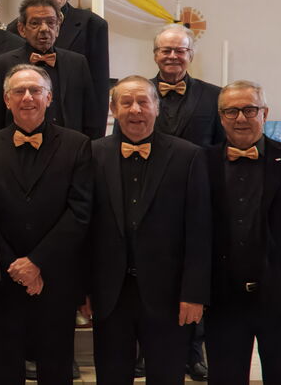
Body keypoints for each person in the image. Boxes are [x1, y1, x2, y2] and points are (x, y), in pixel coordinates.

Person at [0, 65, 94, 385]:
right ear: (6, 99)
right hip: (5, 277)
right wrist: (15, 265)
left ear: (49, 97)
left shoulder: (77, 145)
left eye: (35, 90)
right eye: (19, 91)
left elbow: (80, 211)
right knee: (3, 369)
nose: (27, 97)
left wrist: (37, 262)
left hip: (56, 278)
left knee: (56, 369)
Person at [87, 76, 211, 383]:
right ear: (113, 109)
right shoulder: (91, 154)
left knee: (167, 376)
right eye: (126, 102)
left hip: (169, 295)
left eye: (143, 101)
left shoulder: (188, 156)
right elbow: (84, 229)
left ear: (157, 107)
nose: (135, 109)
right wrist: (84, 290)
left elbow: (199, 230)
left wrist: (194, 294)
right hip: (110, 294)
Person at [204, 81, 281, 384]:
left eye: (249, 109)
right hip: (223, 300)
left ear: (265, 113)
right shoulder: (202, 162)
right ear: (221, 117)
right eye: (231, 111)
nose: (240, 118)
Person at [0, 0, 103, 139]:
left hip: (69, 148)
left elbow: (90, 119)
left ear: (58, 28)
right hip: (19, 147)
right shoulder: (0, 66)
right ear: (22, 29)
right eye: (35, 23)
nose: (44, 29)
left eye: (51, 22)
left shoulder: (77, 63)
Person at [8, 0, 110, 106]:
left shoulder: (93, 24)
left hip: (72, 110)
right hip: (28, 108)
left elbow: (99, 85)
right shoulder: (16, 28)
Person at [115, 24, 224, 149]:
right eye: (166, 51)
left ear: (191, 56)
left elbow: (220, 147)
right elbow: (119, 141)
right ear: (155, 56)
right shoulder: (131, 94)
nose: (172, 56)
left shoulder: (214, 96)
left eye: (180, 51)